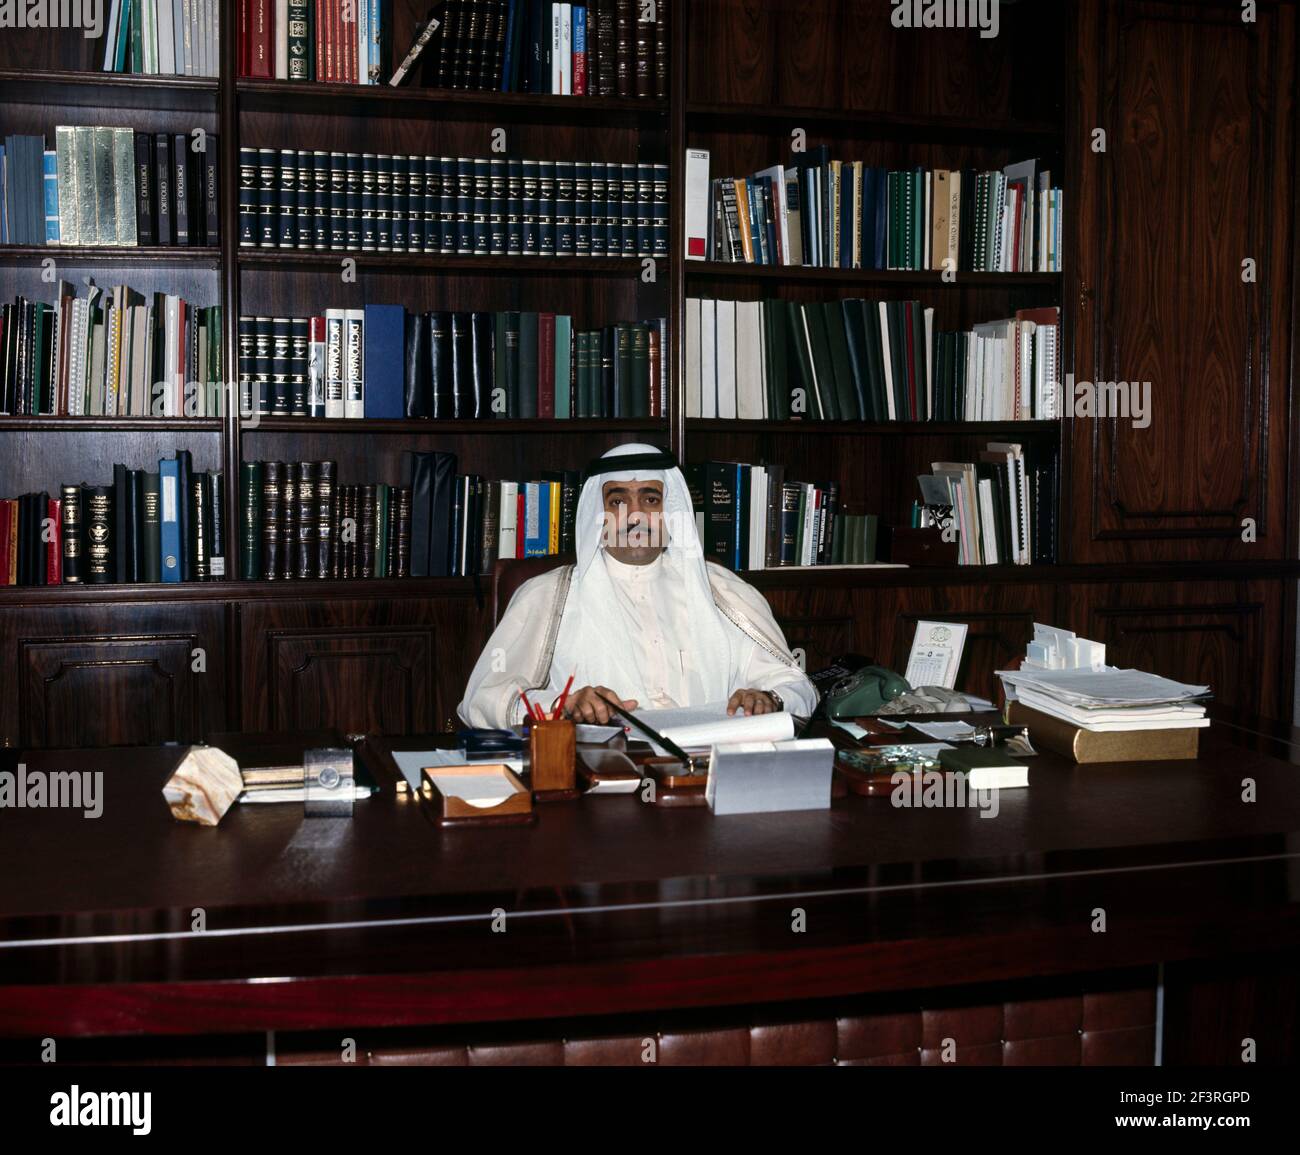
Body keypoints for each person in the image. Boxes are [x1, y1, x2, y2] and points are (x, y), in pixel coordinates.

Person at [458, 442, 818, 727]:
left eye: (650, 498)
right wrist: (560, 705)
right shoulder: (546, 596)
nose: (635, 516)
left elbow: (797, 686)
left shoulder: (724, 591)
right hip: (600, 781)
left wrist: (769, 698)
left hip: (709, 772)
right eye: (617, 501)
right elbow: (482, 699)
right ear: (598, 516)